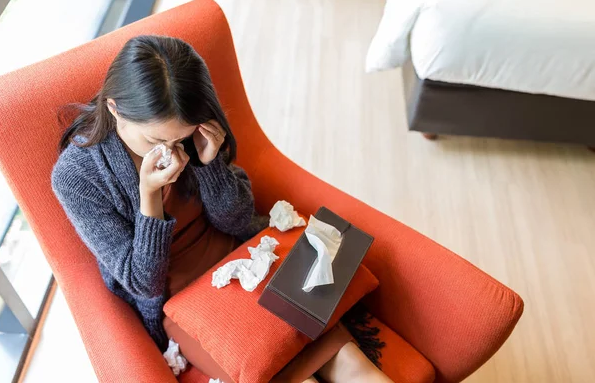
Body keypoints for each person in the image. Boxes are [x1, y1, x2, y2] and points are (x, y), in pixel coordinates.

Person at [52, 35, 391, 383]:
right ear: (114, 109)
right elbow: (144, 283)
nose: (170, 150)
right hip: (182, 297)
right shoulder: (77, 176)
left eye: (178, 138)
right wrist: (149, 197)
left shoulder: (193, 129)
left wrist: (209, 162)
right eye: (155, 141)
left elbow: (239, 218)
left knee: (350, 364)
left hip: (245, 256)